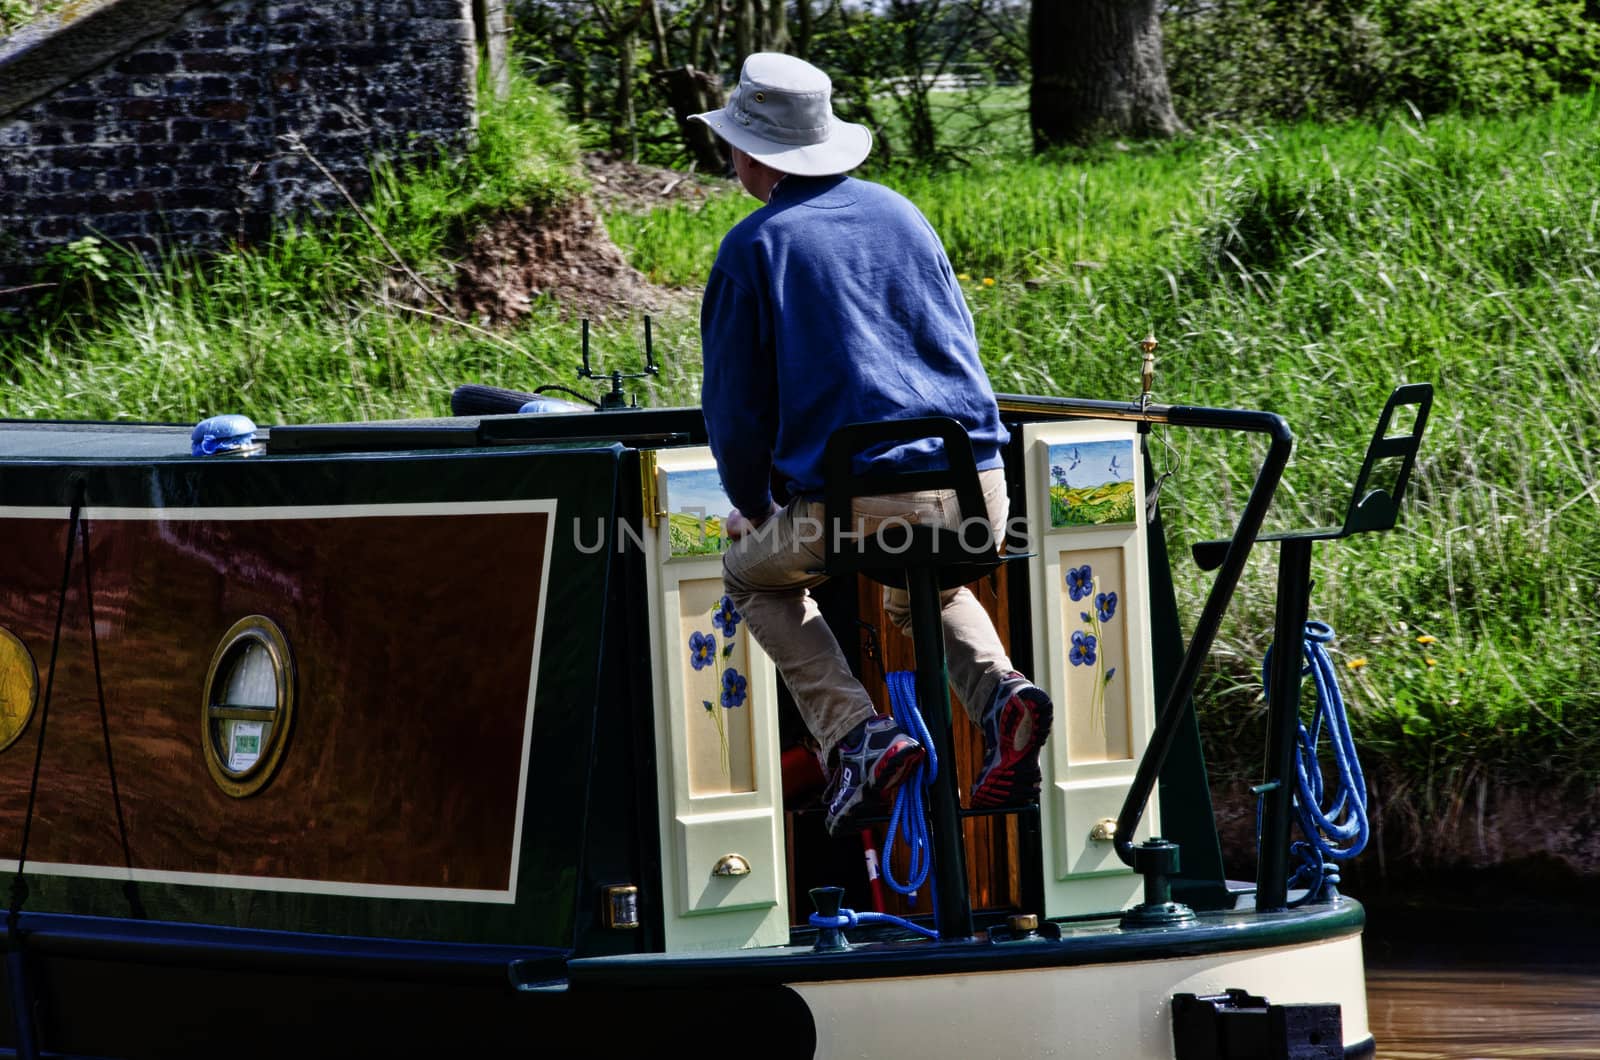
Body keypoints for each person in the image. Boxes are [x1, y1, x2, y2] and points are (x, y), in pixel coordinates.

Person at [691, 53, 1052, 837]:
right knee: (926, 586)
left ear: (751, 154)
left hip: (855, 503)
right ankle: (1004, 696)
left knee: (753, 579)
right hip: (978, 486)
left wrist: (753, 507)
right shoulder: (902, 213)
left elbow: (734, 412)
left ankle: (858, 738)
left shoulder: (753, 248)